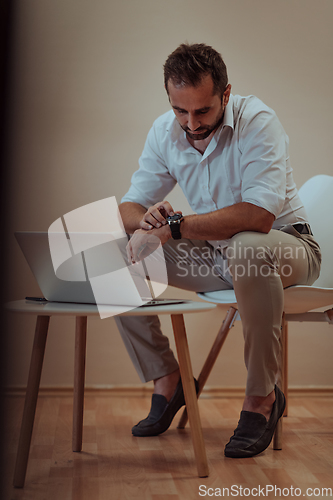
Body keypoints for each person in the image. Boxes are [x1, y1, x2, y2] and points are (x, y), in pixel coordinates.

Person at [115, 43, 321, 458]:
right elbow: (128, 207)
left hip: (287, 249)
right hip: (216, 256)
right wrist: (149, 221)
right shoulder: (164, 131)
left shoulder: (257, 121)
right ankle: (169, 380)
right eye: (180, 111)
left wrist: (175, 228)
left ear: (225, 95)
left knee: (247, 247)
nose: (191, 124)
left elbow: (260, 216)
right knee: (119, 252)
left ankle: (262, 398)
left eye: (203, 111)